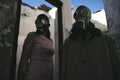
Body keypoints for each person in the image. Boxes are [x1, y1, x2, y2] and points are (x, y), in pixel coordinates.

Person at [60, 5, 120, 80]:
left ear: (89, 16)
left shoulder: (107, 40)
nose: (79, 16)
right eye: (76, 14)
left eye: (84, 12)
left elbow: (117, 67)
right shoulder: (68, 43)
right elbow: (64, 71)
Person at [17, 14, 54, 80]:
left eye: (42, 21)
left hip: (46, 76)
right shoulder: (32, 36)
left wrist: (51, 75)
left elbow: (51, 62)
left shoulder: (50, 41)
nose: (38, 23)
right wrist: (21, 75)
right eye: (37, 21)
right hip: (33, 75)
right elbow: (24, 57)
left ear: (47, 23)